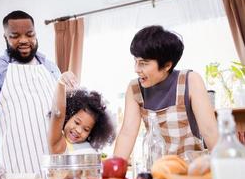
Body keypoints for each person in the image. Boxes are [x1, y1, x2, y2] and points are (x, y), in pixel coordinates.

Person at [0, 10, 60, 179]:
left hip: (54, 166)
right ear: (5, 37)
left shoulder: (51, 68)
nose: (23, 40)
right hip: (16, 170)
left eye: (30, 34)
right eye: (15, 36)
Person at [113, 25, 218, 160]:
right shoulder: (134, 88)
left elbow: (210, 131)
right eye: (135, 61)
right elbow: (127, 133)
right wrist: (112, 174)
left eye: (143, 63)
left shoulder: (190, 81)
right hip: (157, 171)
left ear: (167, 65)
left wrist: (225, 171)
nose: (136, 69)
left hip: (191, 172)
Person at [48, 71, 116, 154]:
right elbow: (58, 114)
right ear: (67, 116)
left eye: (86, 129)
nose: (79, 130)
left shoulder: (89, 147)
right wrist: (61, 83)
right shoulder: (60, 145)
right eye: (77, 122)